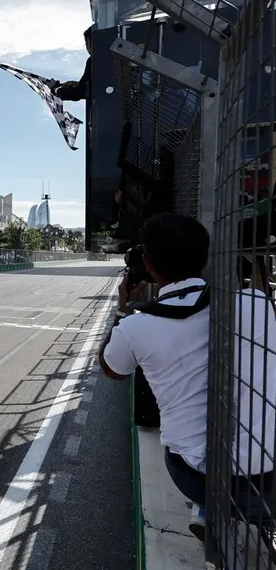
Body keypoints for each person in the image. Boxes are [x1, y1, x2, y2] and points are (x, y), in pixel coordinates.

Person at [101, 212, 276, 546]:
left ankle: (208, 514)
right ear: (207, 258)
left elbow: (112, 369)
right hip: (272, 482)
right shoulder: (256, 303)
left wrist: (123, 308)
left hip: (206, 482)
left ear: (148, 265)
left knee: (183, 445)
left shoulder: (136, 326)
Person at [50, 25, 93, 102]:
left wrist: (54, 89)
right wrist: (79, 84)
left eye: (86, 43)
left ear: (89, 42)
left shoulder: (93, 61)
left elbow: (78, 93)